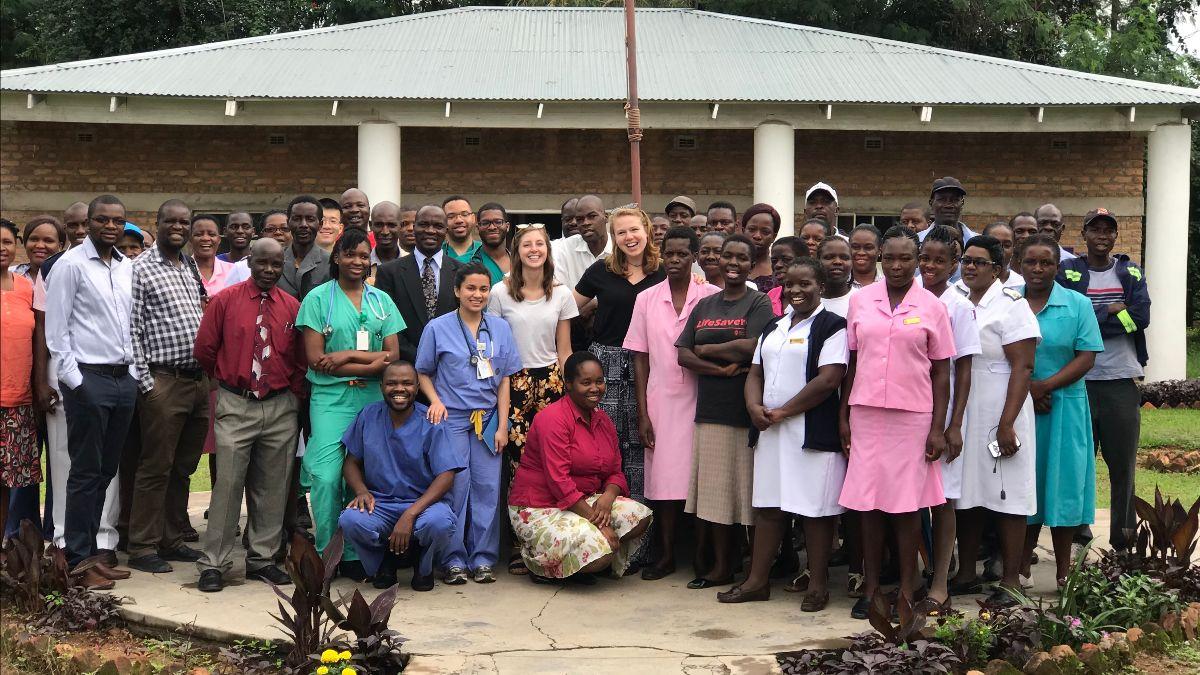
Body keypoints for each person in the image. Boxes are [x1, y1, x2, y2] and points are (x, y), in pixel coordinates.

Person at [839, 226, 955, 618]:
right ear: (879, 259)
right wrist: (844, 417)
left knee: (906, 507)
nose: (898, 265)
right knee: (868, 506)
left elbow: (941, 371)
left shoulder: (932, 305)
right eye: (890, 258)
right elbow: (852, 362)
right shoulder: (861, 301)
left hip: (913, 418)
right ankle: (872, 589)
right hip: (866, 415)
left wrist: (938, 427)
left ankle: (907, 586)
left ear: (919, 259)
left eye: (907, 258)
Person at [719, 258, 848, 608]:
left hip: (810, 433)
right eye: (789, 284)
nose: (795, 290)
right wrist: (753, 408)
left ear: (820, 285)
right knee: (769, 508)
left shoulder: (833, 326)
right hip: (770, 432)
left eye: (804, 283)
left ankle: (817, 586)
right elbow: (755, 373)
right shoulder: (774, 326)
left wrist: (783, 411)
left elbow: (829, 379)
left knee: (814, 510)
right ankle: (756, 582)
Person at [194, 238, 305, 592]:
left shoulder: (292, 306)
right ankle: (214, 562)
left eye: (276, 264)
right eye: (263, 263)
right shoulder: (225, 300)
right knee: (227, 485)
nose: (269, 270)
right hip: (236, 402)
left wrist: (290, 400)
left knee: (272, 486)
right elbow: (205, 350)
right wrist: (230, 383)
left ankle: (262, 557)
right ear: (250, 262)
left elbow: (299, 360)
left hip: (280, 405)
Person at [296, 228, 404, 576]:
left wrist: (343, 356)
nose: (358, 261)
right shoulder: (317, 299)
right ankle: (328, 551)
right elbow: (315, 359)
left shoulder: (381, 301)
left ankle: (356, 553)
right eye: (351, 254)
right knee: (327, 477)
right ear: (337, 257)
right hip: (330, 398)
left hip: (373, 399)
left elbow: (392, 359)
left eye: (364, 255)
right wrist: (369, 360)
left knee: (365, 475)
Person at [45, 194, 138, 587]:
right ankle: (77, 560)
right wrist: (76, 382)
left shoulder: (126, 267)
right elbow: (56, 332)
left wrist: (132, 372)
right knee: (84, 472)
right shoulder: (69, 266)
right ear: (89, 222)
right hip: (89, 379)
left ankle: (94, 556)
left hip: (122, 379)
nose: (111, 227)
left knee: (105, 469)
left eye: (118, 221)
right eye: (103, 220)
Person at [676, 233, 775, 589]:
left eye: (741, 258)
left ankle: (752, 568)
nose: (732, 263)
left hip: (746, 411)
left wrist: (708, 348)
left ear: (751, 264)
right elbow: (683, 352)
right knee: (716, 494)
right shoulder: (705, 304)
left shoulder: (759, 302)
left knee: (746, 494)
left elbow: (756, 347)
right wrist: (718, 365)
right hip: (711, 410)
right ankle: (720, 567)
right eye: (727, 257)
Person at [573, 208, 667, 573]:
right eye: (621, 231)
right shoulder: (601, 271)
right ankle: (603, 537)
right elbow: (568, 308)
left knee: (645, 449)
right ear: (613, 235)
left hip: (651, 363)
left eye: (634, 229)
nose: (629, 237)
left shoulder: (664, 271)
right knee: (608, 448)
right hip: (607, 366)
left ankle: (644, 543)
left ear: (646, 231)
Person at [416, 262, 522, 584]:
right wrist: (435, 401)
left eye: (483, 289)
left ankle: (483, 559)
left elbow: (504, 380)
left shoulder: (501, 328)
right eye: (471, 289)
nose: (477, 295)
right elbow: (423, 372)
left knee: (488, 490)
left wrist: (503, 425)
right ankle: (452, 559)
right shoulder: (438, 327)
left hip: (489, 420)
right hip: (453, 419)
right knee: (455, 489)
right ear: (457, 291)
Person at [949, 235, 1040, 608]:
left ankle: (1010, 579)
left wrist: (1007, 423)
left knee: (1008, 494)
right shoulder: (951, 297)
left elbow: (1023, 366)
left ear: (999, 269)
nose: (970, 267)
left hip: (1002, 404)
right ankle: (966, 573)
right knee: (966, 494)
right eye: (966, 260)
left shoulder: (1011, 305)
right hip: (963, 408)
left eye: (980, 262)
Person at [624, 226, 720, 581]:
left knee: (699, 481)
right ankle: (664, 556)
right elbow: (639, 359)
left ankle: (701, 557)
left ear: (694, 256)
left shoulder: (711, 296)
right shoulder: (647, 299)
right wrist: (642, 412)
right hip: (660, 399)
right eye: (670, 254)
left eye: (683, 254)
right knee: (663, 484)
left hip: (702, 399)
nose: (675, 260)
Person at [508, 351, 654, 582]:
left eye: (599, 381)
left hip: (581, 501)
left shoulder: (602, 420)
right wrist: (598, 524)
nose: (595, 388)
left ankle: (583, 558)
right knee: (599, 553)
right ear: (568, 385)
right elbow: (559, 482)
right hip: (539, 506)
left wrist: (607, 497)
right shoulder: (552, 419)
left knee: (640, 516)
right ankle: (544, 566)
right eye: (586, 382)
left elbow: (615, 471)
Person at [1057, 209, 1149, 553]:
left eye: (1108, 230)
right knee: (1078, 463)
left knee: (1123, 464)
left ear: (1114, 236)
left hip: (1121, 380)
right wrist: (1109, 310)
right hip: (1078, 380)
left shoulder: (1130, 271)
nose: (1102, 235)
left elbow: (1139, 319)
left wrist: (1092, 323)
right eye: (1094, 229)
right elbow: (1067, 319)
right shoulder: (1069, 272)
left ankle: (1122, 540)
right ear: (1084, 235)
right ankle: (1079, 533)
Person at [487, 225, 578, 574]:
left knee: (550, 463)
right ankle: (516, 543)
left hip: (552, 383)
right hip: (514, 381)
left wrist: (569, 391)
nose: (534, 249)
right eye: (527, 244)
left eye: (540, 243)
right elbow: (496, 346)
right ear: (517, 251)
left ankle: (549, 539)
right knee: (516, 464)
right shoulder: (500, 292)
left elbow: (565, 348)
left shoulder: (561, 293)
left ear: (548, 250)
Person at [126, 200, 210, 574]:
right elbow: (132, 328)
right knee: (155, 466)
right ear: (156, 223)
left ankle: (172, 538)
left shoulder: (189, 264)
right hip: (163, 381)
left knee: (183, 467)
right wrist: (147, 384)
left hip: (197, 382)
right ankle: (142, 546)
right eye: (171, 221)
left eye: (184, 221)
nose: (179, 226)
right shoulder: (140, 269)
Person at [1018, 234, 1103, 586]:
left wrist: (1044, 386)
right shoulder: (1009, 304)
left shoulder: (1077, 304)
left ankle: (1064, 570)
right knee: (1025, 484)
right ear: (1018, 265)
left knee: (1064, 485)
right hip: (1018, 407)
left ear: (1058, 266)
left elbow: (1087, 356)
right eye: (1030, 262)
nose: (1038, 269)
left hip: (1065, 406)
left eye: (1046, 262)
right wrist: (1028, 390)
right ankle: (1020, 566)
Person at [338, 361, 462, 591]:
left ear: (417, 387)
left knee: (440, 522)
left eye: (407, 383)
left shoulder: (430, 421)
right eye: (391, 383)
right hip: (381, 504)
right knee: (350, 520)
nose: (399, 389)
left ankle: (422, 566)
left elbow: (446, 475)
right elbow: (351, 462)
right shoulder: (369, 416)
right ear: (382, 386)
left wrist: (410, 514)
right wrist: (361, 491)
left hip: (423, 505)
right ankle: (384, 563)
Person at [916, 225, 981, 609]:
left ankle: (940, 580)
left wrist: (954, 424)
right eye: (925, 258)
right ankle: (914, 574)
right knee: (908, 498)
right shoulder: (909, 298)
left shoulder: (959, 306)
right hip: (909, 409)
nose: (931, 266)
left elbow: (965, 369)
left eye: (941, 260)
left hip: (946, 412)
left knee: (942, 499)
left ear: (955, 263)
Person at [189, 214, 238, 530]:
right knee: (191, 444)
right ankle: (178, 516)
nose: (206, 238)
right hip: (189, 367)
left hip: (224, 370)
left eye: (211, 233)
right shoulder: (180, 269)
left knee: (225, 446)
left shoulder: (234, 272)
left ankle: (223, 511)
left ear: (220, 238)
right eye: (199, 233)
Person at [375, 205, 464, 364]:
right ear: (413, 227)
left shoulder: (462, 272)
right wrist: (420, 358)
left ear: (447, 230)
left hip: (451, 367)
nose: (430, 231)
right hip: (404, 370)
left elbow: (466, 320)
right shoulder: (388, 272)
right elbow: (385, 324)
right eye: (423, 224)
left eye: (438, 226)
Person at [0, 219, 41, 539]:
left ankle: (7, 548)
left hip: (18, 401)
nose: (2, 247)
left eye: (7, 241)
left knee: (11, 481)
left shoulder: (26, 287)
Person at [553, 194, 611, 289]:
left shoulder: (619, 247)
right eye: (580, 219)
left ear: (606, 217)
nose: (585, 223)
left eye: (592, 216)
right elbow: (562, 298)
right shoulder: (565, 248)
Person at [279, 196, 331, 301]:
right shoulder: (276, 259)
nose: (303, 225)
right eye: (297, 219)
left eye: (310, 219)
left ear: (320, 225)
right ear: (288, 222)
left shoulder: (331, 263)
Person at [920, 177, 978, 247]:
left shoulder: (978, 243)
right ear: (931, 203)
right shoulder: (917, 241)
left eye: (954, 199)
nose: (948, 205)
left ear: (962, 203)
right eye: (942, 199)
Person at [764, 237, 808, 316]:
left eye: (786, 259)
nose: (778, 265)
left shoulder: (812, 296)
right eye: (774, 261)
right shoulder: (771, 295)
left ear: (804, 261)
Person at [742, 203, 781, 292]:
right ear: (743, 230)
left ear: (774, 237)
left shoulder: (779, 269)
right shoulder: (730, 266)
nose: (757, 236)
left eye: (765, 232)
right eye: (752, 229)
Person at [816, 237, 857, 318]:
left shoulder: (863, 299)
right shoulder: (807, 300)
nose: (837, 262)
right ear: (818, 261)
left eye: (844, 257)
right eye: (829, 257)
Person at [473, 202, 511, 283]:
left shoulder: (521, 262)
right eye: (485, 223)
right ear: (477, 228)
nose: (492, 227)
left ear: (507, 227)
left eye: (498, 222)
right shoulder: (463, 262)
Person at [983, 221, 1025, 288]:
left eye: (1006, 245)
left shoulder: (1022, 285)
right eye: (994, 244)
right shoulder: (964, 286)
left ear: (1013, 249)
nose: (1000, 250)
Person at [368, 202, 405, 276]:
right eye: (379, 225)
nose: (385, 232)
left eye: (391, 225)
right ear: (370, 225)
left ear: (401, 226)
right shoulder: (361, 264)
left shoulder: (414, 263)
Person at [442, 195, 481, 263]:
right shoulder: (436, 252)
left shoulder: (486, 251)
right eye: (451, 216)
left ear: (473, 218)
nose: (459, 220)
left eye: (464, 214)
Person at [848, 224, 882, 289]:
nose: (861, 253)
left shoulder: (888, 284)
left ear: (879, 250)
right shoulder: (838, 283)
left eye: (868, 248)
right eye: (855, 247)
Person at [1009, 212, 1039, 278]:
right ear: (1009, 234)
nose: (1026, 236)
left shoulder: (1046, 268)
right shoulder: (1000, 268)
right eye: (1019, 231)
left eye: (1032, 232)